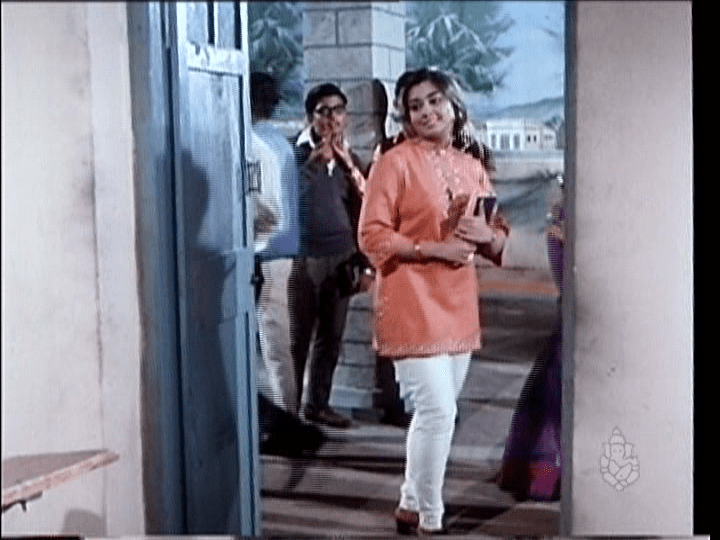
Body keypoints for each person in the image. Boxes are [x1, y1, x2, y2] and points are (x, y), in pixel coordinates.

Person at [358, 68, 510, 535]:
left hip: (458, 304)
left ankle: (409, 503)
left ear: (453, 105)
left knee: (437, 415)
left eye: (434, 100)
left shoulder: (472, 166)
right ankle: (431, 518)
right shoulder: (393, 163)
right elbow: (371, 235)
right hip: (410, 303)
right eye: (415, 106)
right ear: (405, 117)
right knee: (438, 413)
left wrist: (489, 236)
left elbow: (497, 235)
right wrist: (432, 249)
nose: (426, 112)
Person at [250, 72, 323, 457]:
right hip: (283, 252)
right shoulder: (278, 141)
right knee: (276, 345)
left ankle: (287, 426)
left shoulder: (254, 143)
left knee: (274, 346)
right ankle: (286, 422)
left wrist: (251, 242)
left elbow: (268, 210)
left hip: (266, 254)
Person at [289, 82, 370, 429]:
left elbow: (363, 213)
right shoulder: (293, 154)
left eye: (338, 111)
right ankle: (288, 413)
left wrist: (364, 261)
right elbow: (283, 199)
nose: (332, 119)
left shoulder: (352, 160)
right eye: (324, 112)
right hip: (303, 260)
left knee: (331, 338)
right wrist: (312, 164)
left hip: (341, 258)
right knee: (297, 341)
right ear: (311, 117)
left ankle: (317, 405)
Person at [496, 174, 565, 501]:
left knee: (551, 395)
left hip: (572, 320)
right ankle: (548, 474)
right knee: (555, 397)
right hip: (575, 322)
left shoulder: (563, 219)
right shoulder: (564, 221)